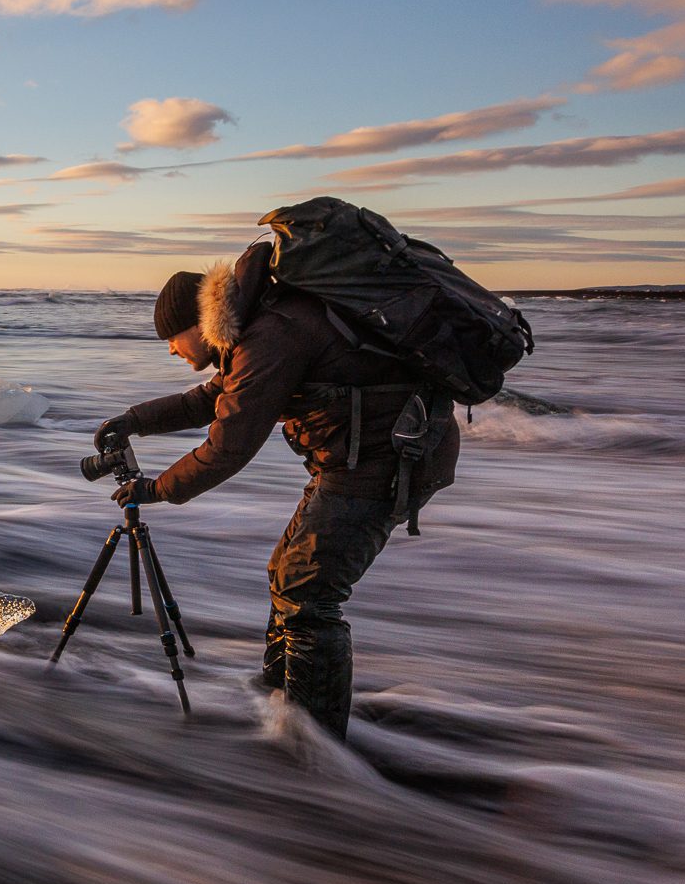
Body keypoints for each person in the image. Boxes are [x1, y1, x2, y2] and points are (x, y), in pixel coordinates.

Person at [95, 232, 459, 739]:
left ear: (198, 325)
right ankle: (281, 702)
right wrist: (133, 420)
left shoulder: (271, 338)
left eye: (172, 340)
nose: (172, 352)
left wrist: (155, 490)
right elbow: (213, 398)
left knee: (308, 591)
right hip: (356, 460)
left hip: (388, 460)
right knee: (286, 573)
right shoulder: (258, 331)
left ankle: (313, 744)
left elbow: (228, 446)